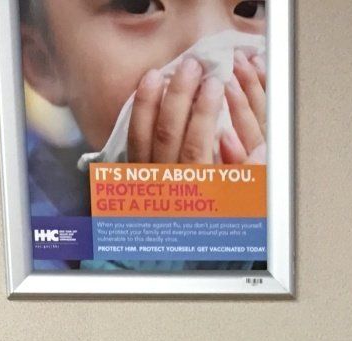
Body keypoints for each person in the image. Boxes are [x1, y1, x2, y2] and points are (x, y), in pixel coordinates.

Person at [20, 0, 269, 232]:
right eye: (137, 6)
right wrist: (158, 237)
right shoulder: (24, 225)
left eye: (251, 8)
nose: (211, 59)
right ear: (44, 62)